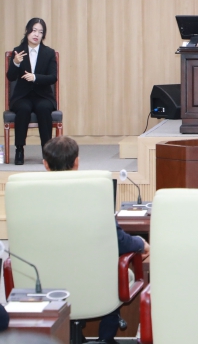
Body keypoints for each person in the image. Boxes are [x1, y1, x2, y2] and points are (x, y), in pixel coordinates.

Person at [42, 136, 148, 344]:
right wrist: (140, 243)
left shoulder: (25, 193)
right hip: (92, 284)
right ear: (77, 162)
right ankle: (105, 338)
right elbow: (118, 242)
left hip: (44, 283)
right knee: (118, 273)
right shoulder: (94, 191)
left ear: (45, 164)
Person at [6, 18, 58, 165]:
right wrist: (15, 62)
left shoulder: (49, 53)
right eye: (34, 30)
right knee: (23, 109)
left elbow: (53, 77)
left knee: (43, 108)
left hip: (43, 96)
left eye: (40, 32)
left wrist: (35, 77)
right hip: (22, 96)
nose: (36, 34)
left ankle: (47, 151)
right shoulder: (18, 51)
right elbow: (11, 77)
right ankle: (19, 149)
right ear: (27, 31)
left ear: (43, 35)